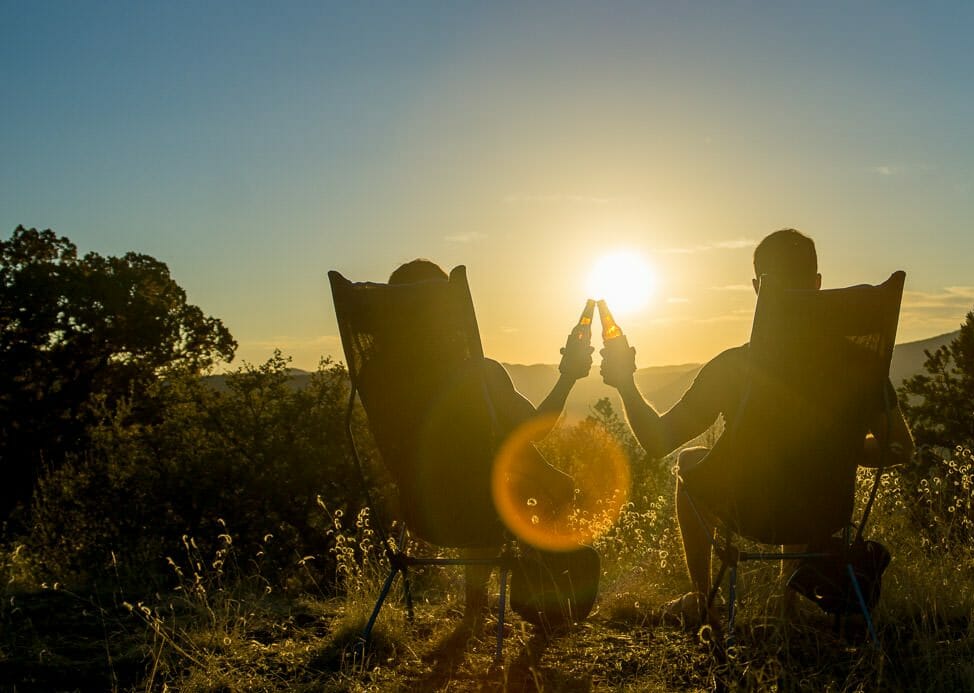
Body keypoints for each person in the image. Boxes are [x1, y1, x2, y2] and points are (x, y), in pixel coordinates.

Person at [598, 229, 915, 624]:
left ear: (758, 290)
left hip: (749, 511)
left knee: (687, 460)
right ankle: (787, 604)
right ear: (818, 285)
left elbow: (657, 441)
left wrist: (626, 383)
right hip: (825, 512)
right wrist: (844, 451)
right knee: (800, 464)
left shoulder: (735, 367)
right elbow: (900, 449)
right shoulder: (864, 366)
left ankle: (703, 601)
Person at [379, 259, 596, 621]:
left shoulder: (379, 374)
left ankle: (475, 611)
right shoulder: (477, 372)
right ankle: (538, 590)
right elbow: (536, 427)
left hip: (419, 510)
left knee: (490, 472)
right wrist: (569, 376)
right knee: (543, 486)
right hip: (478, 511)